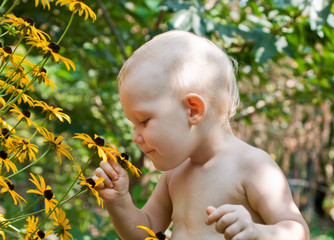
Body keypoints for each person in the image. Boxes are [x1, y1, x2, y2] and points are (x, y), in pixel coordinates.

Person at [92, 30, 310, 240]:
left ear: (193, 110)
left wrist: (257, 233)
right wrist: (119, 202)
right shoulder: (174, 175)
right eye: (133, 125)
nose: (136, 136)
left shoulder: (252, 165)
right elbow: (145, 230)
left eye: (143, 121)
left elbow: (297, 231)